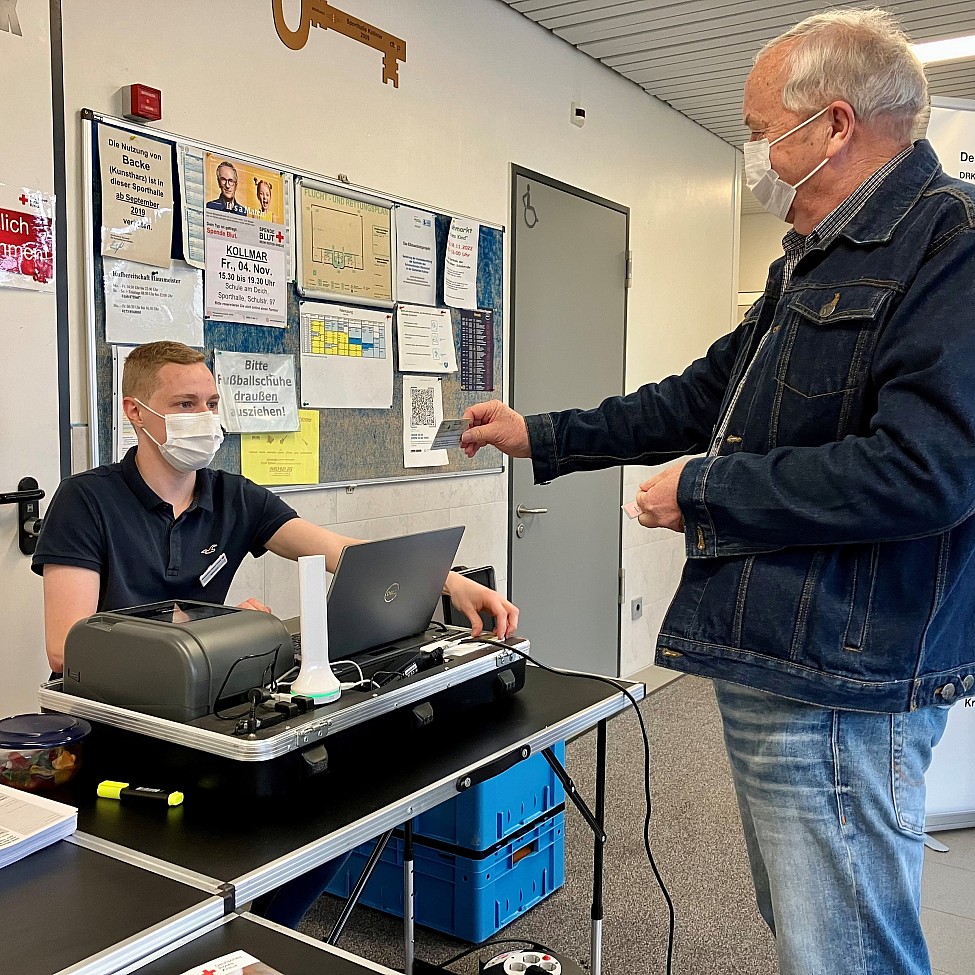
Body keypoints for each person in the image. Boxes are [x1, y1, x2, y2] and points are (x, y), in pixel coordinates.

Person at [461, 10, 975, 975]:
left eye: (754, 130)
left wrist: (708, 490)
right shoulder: (810, 259)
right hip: (778, 653)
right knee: (812, 924)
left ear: (830, 124)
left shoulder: (948, 246)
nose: (750, 155)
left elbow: (928, 470)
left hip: (843, 675)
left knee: (846, 944)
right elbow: (703, 396)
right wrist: (545, 435)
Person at [33, 340, 518, 928]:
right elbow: (67, 646)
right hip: (120, 730)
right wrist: (223, 628)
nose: (205, 418)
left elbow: (341, 553)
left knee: (338, 816)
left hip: (208, 716)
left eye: (212, 402)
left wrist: (452, 583)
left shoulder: (232, 495)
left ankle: (260, 934)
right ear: (137, 413)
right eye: (185, 403)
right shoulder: (86, 501)